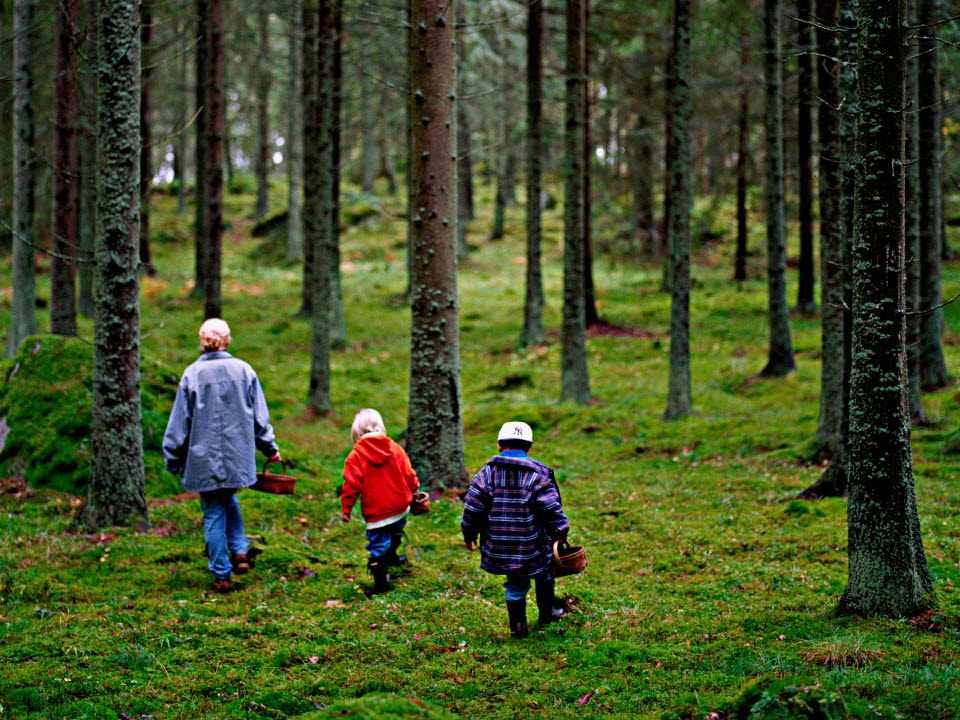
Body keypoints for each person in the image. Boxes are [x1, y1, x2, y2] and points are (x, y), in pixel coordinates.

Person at [162, 318, 281, 594]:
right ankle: (239, 552)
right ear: (227, 341)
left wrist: (172, 459)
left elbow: (179, 426)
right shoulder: (245, 371)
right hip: (238, 458)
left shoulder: (191, 375)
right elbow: (260, 418)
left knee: (214, 511)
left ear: (202, 342)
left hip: (203, 461)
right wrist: (270, 448)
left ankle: (221, 573)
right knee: (229, 498)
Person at [461, 421, 569, 639]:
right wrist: (561, 530)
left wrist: (469, 533)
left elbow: (472, 508)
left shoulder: (485, 475)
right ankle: (547, 613)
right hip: (534, 542)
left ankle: (518, 628)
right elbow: (551, 507)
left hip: (501, 544)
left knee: (515, 583)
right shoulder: (537, 475)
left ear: (499, 445)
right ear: (529, 447)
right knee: (545, 573)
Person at [340, 408, 421, 595]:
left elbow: (350, 485)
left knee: (377, 544)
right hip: (399, 504)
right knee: (396, 529)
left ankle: (381, 582)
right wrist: (415, 488)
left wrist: (346, 509)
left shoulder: (355, 456)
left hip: (376, 512)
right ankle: (391, 556)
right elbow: (408, 471)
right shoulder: (393, 447)